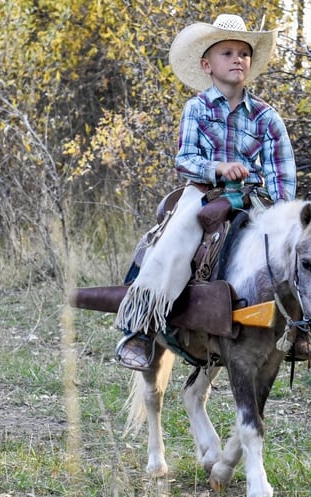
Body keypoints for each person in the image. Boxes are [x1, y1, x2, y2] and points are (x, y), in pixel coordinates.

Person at [114, 13, 297, 370]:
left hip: (251, 197)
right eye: (226, 53)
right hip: (203, 192)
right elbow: (185, 159)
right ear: (207, 64)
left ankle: (297, 329)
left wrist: (281, 212)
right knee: (176, 238)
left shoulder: (265, 117)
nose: (237, 59)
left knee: (292, 250)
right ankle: (140, 327)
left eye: (243, 53)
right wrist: (217, 167)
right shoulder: (196, 108)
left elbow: (281, 171)